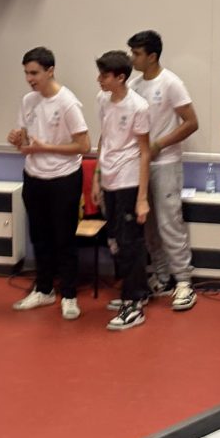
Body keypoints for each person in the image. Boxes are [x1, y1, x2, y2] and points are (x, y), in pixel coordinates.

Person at [7, 47, 91, 320]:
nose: (30, 79)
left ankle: (69, 295)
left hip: (64, 178)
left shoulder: (68, 102)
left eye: (34, 73)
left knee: (64, 239)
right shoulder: (28, 100)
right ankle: (43, 290)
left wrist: (46, 147)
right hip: (34, 176)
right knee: (39, 237)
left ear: (50, 70)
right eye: (26, 73)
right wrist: (17, 140)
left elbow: (84, 145)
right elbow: (25, 141)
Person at [127, 30, 200, 311]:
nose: (132, 58)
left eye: (137, 54)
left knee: (170, 223)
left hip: (166, 163)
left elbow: (191, 122)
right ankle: (161, 276)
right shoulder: (133, 85)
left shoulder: (171, 83)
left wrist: (159, 144)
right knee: (148, 225)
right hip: (140, 165)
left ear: (152, 56)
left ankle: (183, 281)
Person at [93, 50, 152, 330]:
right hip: (109, 179)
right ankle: (136, 291)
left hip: (129, 180)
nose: (99, 80)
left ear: (120, 77)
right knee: (115, 240)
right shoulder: (102, 100)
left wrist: (142, 198)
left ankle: (134, 302)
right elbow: (104, 138)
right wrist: (97, 177)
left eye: (104, 76)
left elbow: (145, 151)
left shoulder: (139, 106)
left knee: (131, 242)